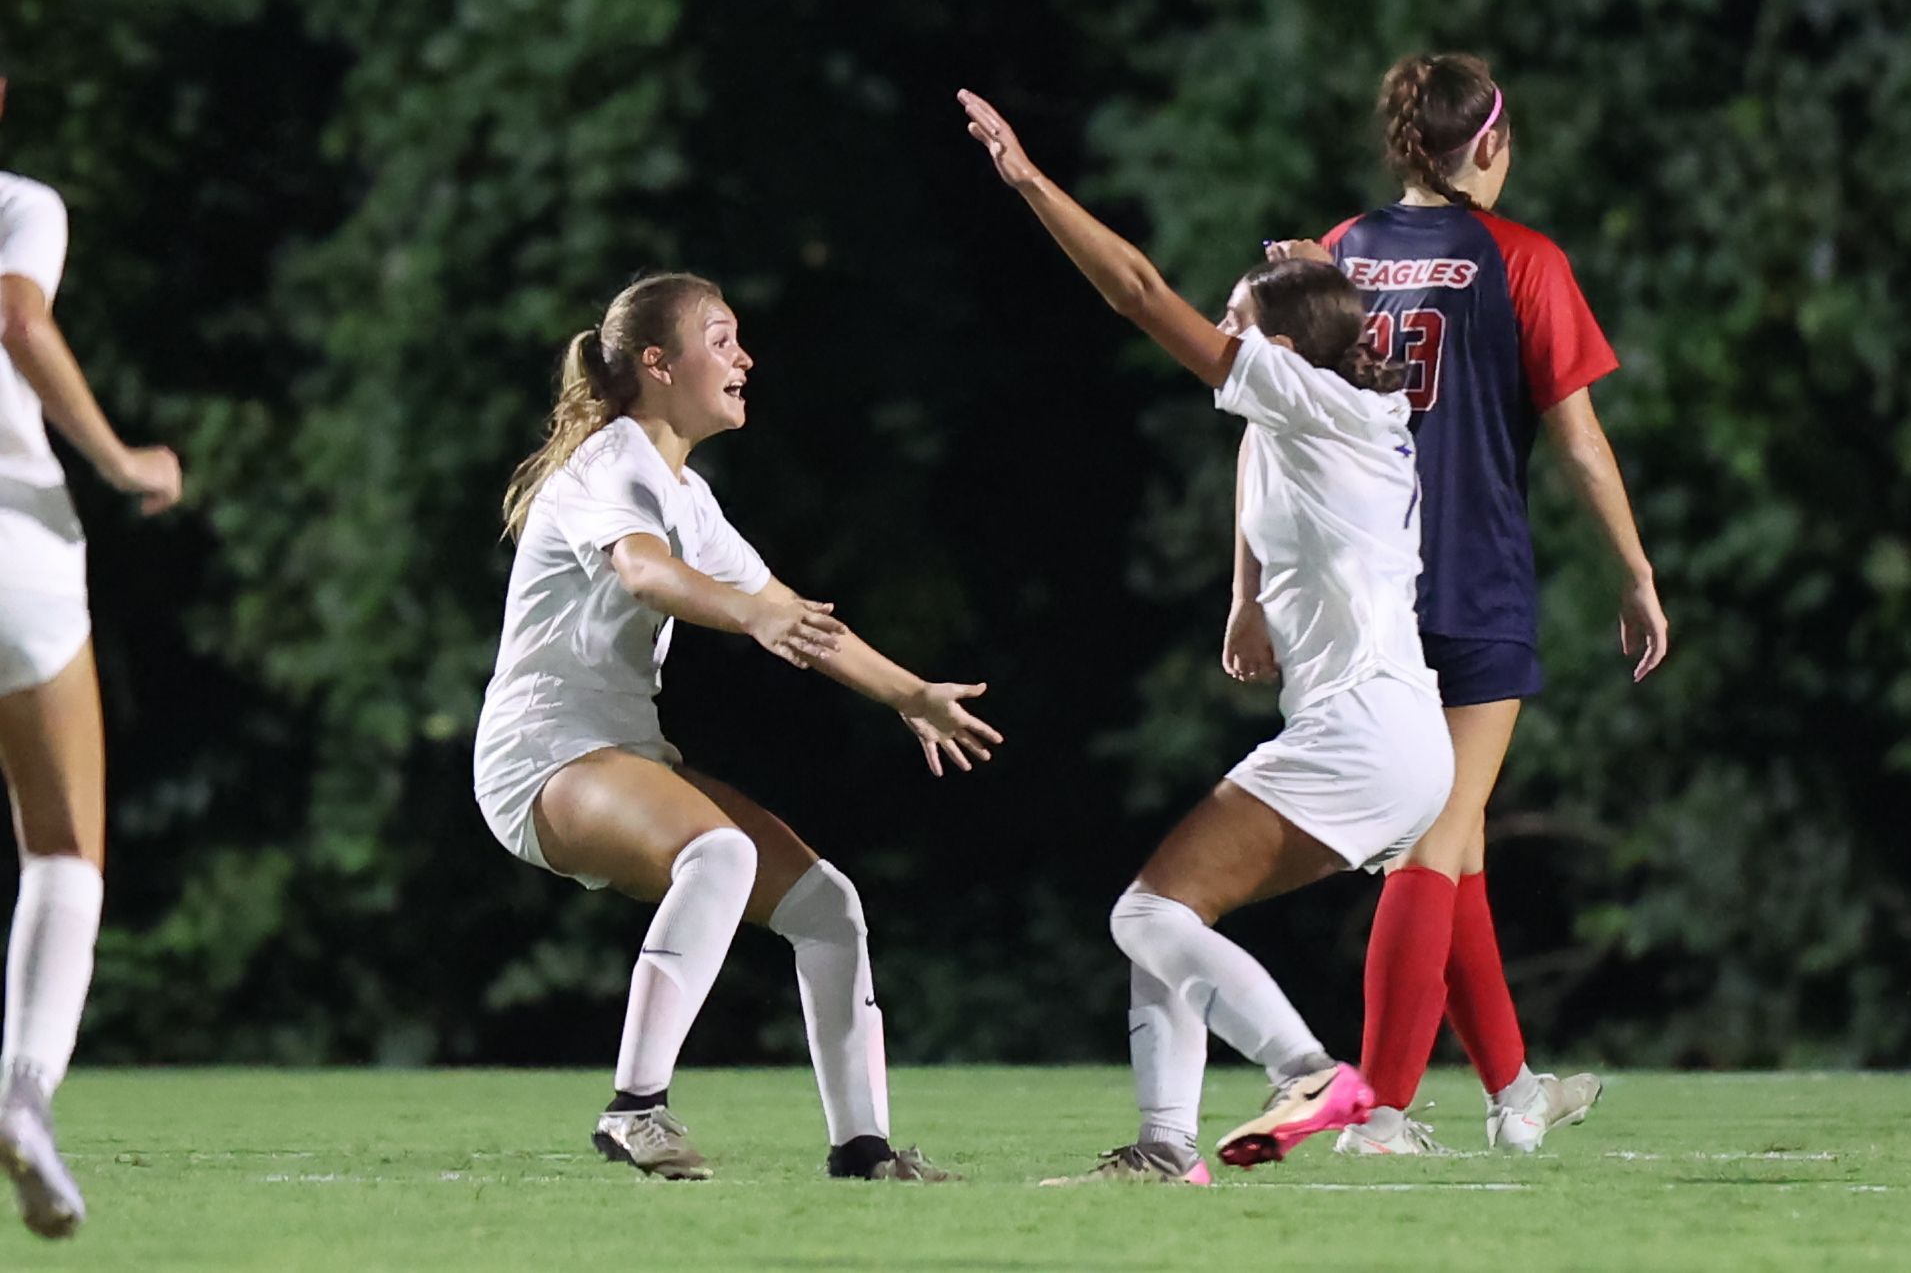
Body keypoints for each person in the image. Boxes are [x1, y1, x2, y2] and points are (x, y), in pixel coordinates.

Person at [959, 88, 1453, 1184]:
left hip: (1365, 731)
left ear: (1279, 347)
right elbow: (1261, 440)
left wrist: (1029, 181)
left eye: (1237, 322)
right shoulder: (1329, 404)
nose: (1220, 334)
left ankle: (1309, 1071)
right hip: (1390, 736)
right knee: (1173, 907)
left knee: (1145, 912)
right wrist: (1245, 593)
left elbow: (1136, 291)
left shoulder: (1306, 399)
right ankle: (1163, 1147)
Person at [474, 272, 998, 1182]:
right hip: (541, 758)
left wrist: (908, 693)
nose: (743, 358)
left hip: (620, 754)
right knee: (719, 855)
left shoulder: (685, 490)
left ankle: (863, 1150)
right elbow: (643, 572)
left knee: (828, 909)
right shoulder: (613, 462)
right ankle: (634, 1109)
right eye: (720, 340)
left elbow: (791, 615)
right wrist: (746, 615)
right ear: (656, 362)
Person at [1240, 52, 1669, 1154]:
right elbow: (1576, 437)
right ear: (1489, 141)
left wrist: (1244, 594)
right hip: (1473, 582)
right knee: (1432, 842)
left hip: (1354, 593)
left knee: (1455, 837)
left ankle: (1514, 1088)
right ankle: (1373, 1108)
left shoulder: (1337, 252)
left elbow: (1270, 424)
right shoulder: (1522, 259)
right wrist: (1636, 573)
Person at [0, 62, 184, 1239]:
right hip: (14, 538)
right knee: (67, 846)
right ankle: (23, 1101)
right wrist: (121, 460)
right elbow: (17, 315)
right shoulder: (23, 200)